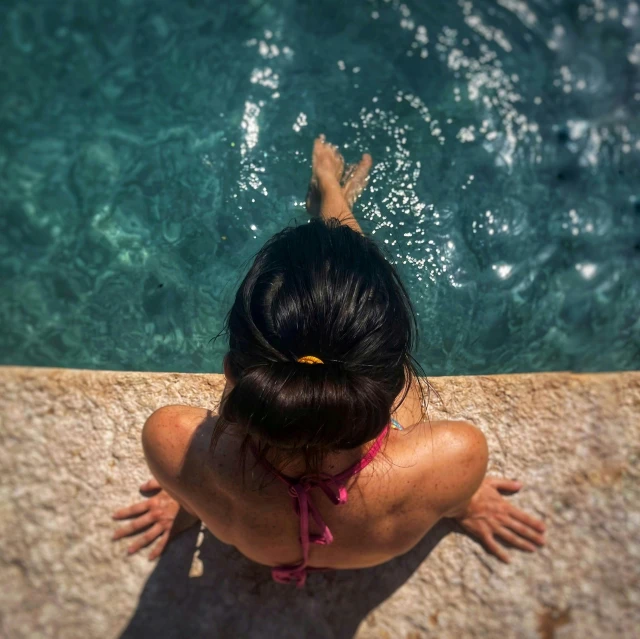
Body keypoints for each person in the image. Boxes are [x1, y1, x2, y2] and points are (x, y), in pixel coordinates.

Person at [112, 136, 546, 587]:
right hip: (369, 552)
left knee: (336, 315)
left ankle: (331, 198)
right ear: (394, 381)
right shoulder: (456, 460)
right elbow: (356, 325)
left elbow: (203, 470)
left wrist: (192, 499)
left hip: (258, 547)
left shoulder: (171, 442)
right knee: (350, 295)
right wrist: (464, 503)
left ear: (229, 371)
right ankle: (334, 199)